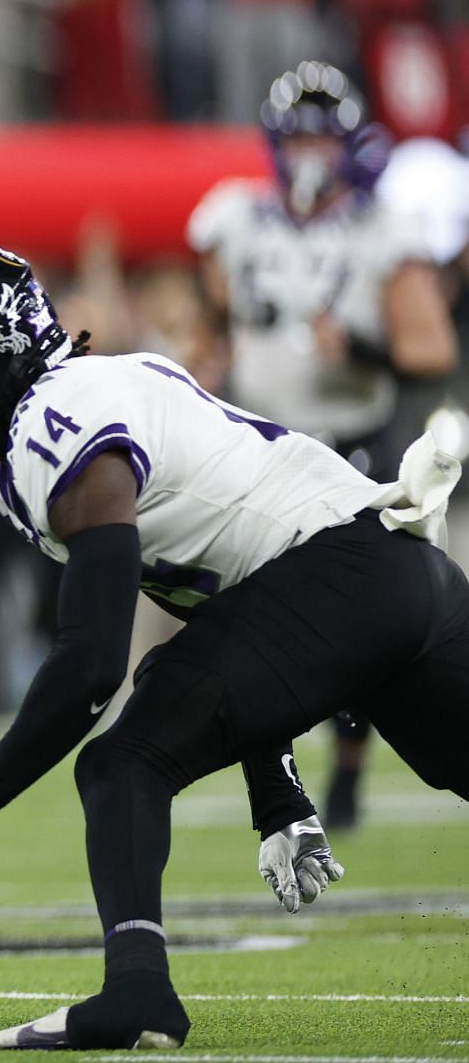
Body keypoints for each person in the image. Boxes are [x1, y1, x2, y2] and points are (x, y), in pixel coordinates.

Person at [0, 244, 468, 1050]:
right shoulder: (100, 387)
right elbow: (247, 582)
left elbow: (89, 668)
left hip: (340, 577)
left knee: (122, 762)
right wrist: (276, 794)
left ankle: (136, 992)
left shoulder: (53, 427)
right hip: (401, 569)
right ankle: (136, 991)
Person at [189, 62, 458, 829]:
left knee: (360, 624)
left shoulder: (384, 229)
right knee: (250, 616)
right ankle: (276, 779)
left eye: (321, 135)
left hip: (351, 447)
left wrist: (365, 349)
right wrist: (199, 367)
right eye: (297, 134)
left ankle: (345, 774)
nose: (309, 152)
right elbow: (209, 324)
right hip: (259, 444)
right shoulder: (235, 220)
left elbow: (431, 349)